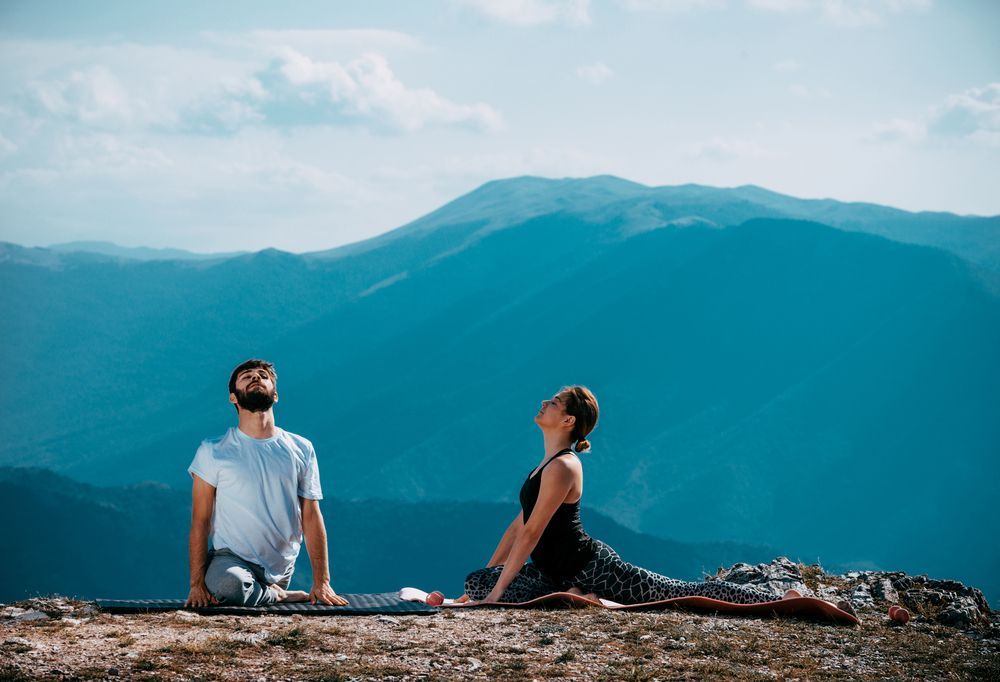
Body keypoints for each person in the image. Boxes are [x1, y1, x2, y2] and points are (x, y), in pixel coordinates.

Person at [463, 386, 792, 606]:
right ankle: (572, 596)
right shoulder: (544, 465)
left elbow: (533, 532)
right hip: (554, 574)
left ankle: (774, 600)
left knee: (682, 593)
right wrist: (487, 585)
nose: (544, 403)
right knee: (475, 582)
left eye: (554, 402)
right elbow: (518, 528)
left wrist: (498, 593)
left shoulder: (564, 467)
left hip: (595, 569)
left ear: (568, 420)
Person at [184, 359, 348, 608]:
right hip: (231, 560)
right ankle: (276, 596)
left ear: (276, 394)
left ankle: (271, 590)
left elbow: (312, 517)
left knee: (237, 590)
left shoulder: (301, 448)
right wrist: (196, 585)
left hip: (280, 568)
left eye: (262, 375)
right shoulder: (213, 450)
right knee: (230, 587)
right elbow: (200, 521)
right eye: (246, 376)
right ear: (233, 398)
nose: (255, 377)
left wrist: (321, 582)